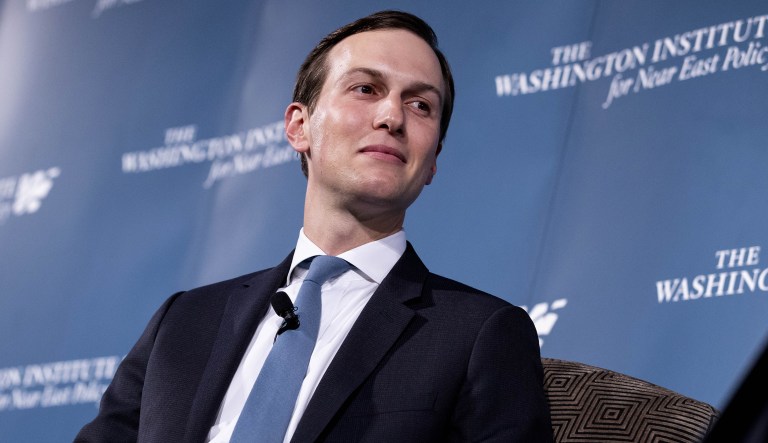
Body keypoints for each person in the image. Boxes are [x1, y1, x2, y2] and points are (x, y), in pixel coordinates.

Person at [76, 10, 553, 442]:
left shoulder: (480, 335)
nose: (392, 116)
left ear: (432, 163)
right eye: (366, 89)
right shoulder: (182, 323)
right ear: (299, 127)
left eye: (421, 105)